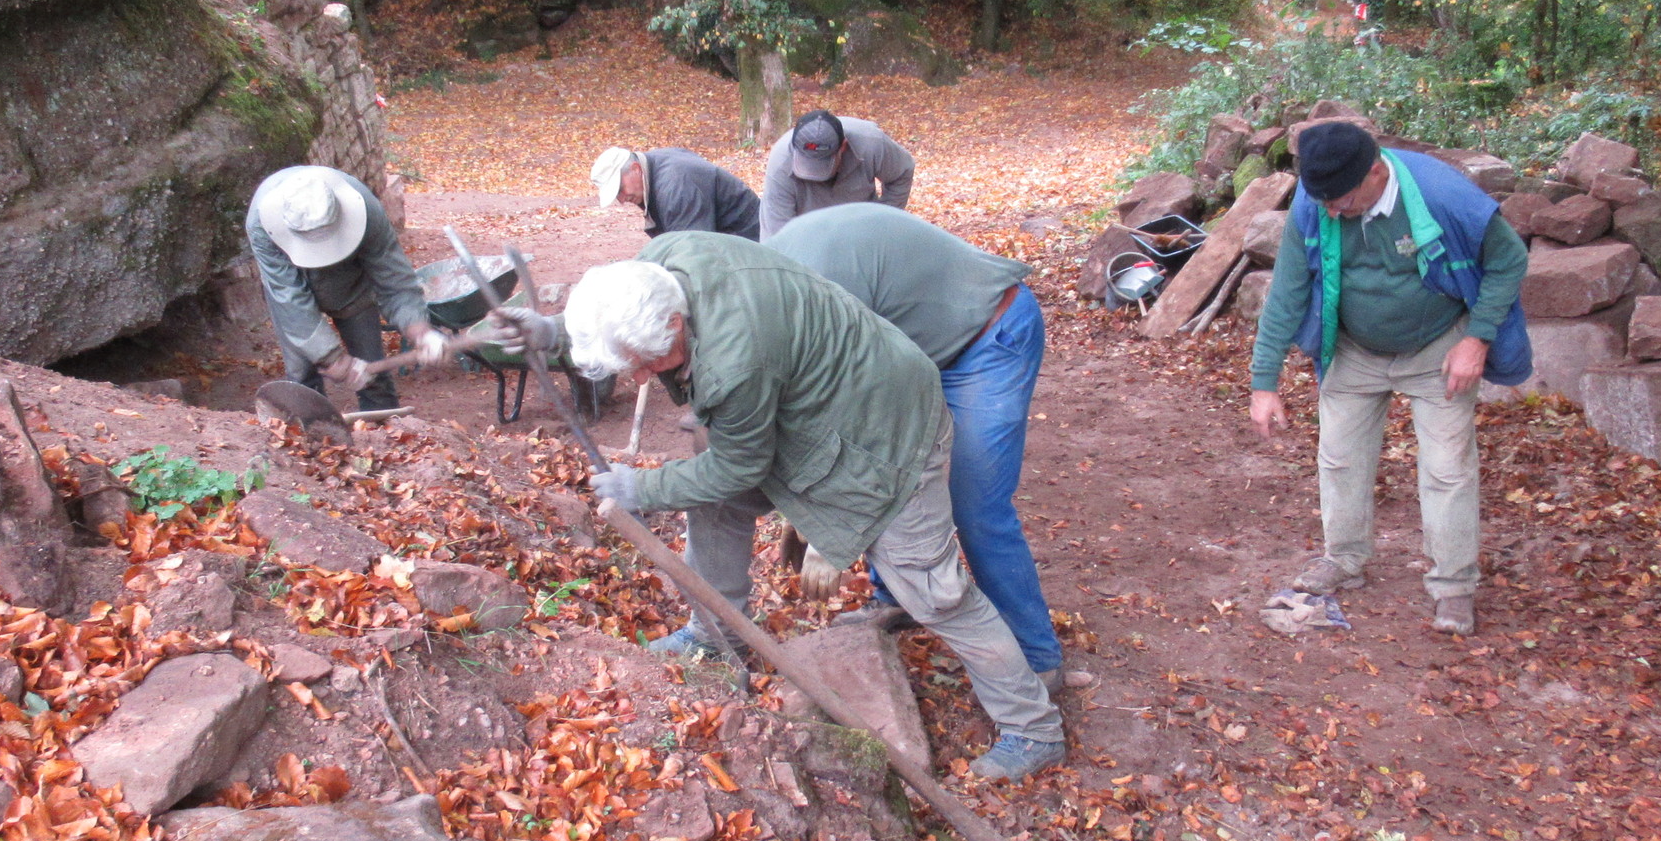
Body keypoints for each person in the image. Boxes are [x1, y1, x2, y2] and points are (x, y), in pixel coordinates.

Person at [497, 233, 1066, 780]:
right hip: (814, 412)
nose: (641, 376)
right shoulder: (663, 264)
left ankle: (1033, 728)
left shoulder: (734, 362)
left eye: (650, 361)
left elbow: (737, 467)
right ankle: (716, 635)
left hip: (887, 433)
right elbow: (721, 461)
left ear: (675, 323)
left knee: (933, 590)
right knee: (711, 499)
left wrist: (640, 490)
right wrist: (552, 332)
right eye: (631, 364)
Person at [764, 203, 1073, 691]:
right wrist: (802, 506)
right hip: (918, 347)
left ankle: (1037, 658)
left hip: (987, 335)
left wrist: (829, 532)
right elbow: (810, 406)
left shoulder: (819, 293)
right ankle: (896, 597)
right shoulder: (770, 290)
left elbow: (865, 425)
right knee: (901, 475)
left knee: (977, 507)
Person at [1247, 121, 1532, 636]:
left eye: (1343, 202)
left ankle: (1453, 586)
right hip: (1354, 346)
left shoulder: (1444, 196)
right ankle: (1345, 558)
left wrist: (1478, 338)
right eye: (1324, 203)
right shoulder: (1320, 200)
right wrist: (1264, 382)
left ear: (1377, 172)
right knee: (1339, 457)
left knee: (1447, 468)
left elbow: (1509, 259)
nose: (1332, 213)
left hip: (1438, 344)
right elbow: (1288, 290)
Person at [246, 165, 451, 413]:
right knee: (301, 373)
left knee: (373, 370)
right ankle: (310, 427)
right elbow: (289, 297)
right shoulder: (261, 224)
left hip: (350, 282)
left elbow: (394, 278)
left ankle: (383, 425)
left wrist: (421, 331)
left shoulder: (366, 209)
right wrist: (331, 358)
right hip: (291, 285)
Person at [759, 110, 915, 238]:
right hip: (806, 232)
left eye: (822, 165)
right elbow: (777, 236)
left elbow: (902, 172)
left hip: (861, 227)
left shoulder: (872, 144)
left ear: (843, 147)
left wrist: (881, 223)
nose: (815, 174)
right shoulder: (781, 164)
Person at [591, 145, 761, 241]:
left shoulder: (676, 187)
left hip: (751, 243)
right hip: (731, 240)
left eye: (619, 189)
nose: (622, 199)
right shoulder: (654, 166)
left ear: (636, 169)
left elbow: (693, 253)